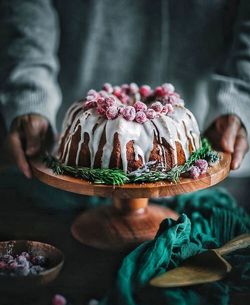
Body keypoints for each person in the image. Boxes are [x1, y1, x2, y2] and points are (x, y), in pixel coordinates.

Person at [0, 0, 249, 178]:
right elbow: (25, 9)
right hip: (69, 123)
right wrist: (30, 93)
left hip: (203, 124)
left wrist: (239, 96)